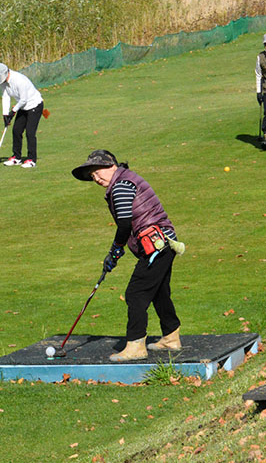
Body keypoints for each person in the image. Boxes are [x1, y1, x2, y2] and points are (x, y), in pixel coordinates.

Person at [72, 150, 184, 361]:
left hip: (156, 244)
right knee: (158, 291)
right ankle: (171, 336)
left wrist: (114, 251)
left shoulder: (121, 186)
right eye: (92, 176)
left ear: (110, 165)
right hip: (163, 241)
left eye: (97, 172)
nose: (96, 179)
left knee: (135, 293)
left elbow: (124, 223)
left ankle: (136, 345)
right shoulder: (124, 179)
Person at [0, 63, 44, 168]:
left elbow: (24, 99)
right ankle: (17, 157)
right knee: (16, 130)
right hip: (22, 107)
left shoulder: (19, 80)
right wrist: (5, 114)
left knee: (30, 132)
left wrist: (13, 111)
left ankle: (32, 160)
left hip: (34, 105)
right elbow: (6, 97)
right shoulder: (4, 82)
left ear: (5, 73)